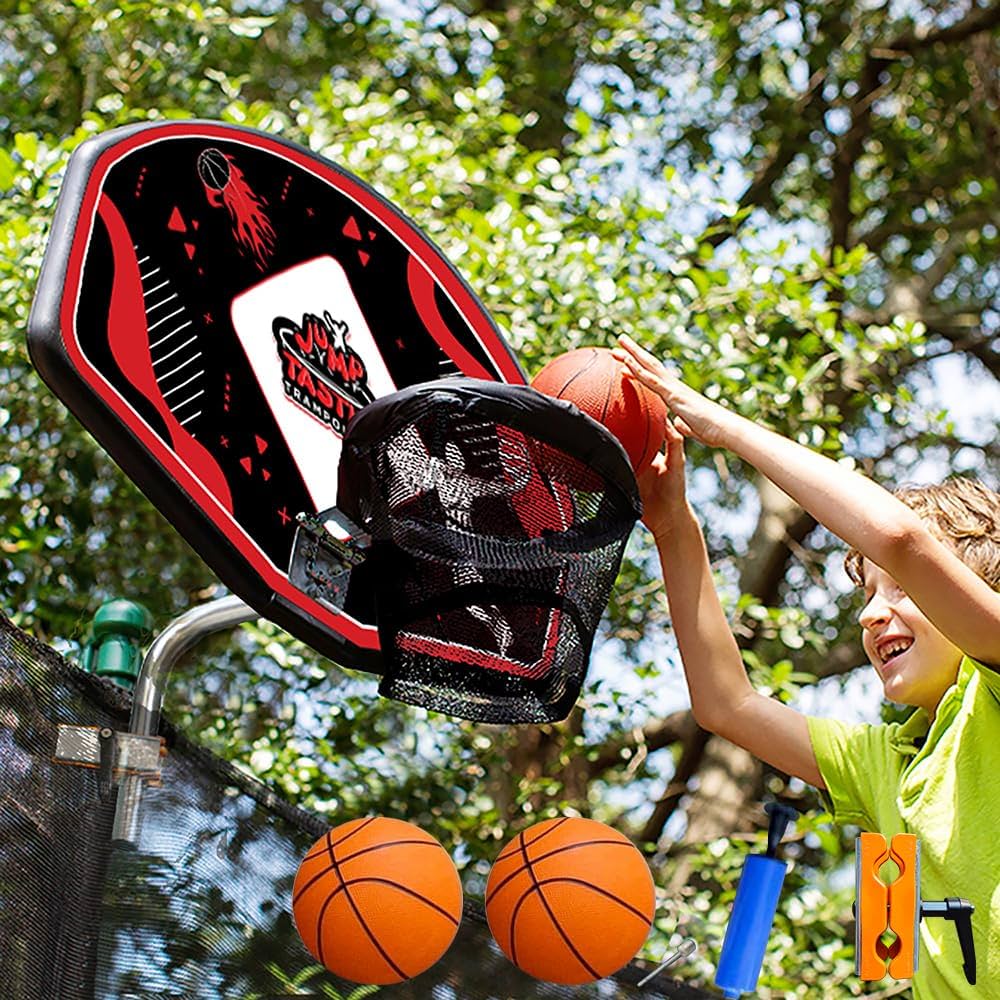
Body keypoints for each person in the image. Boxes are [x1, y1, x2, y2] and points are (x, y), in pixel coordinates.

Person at [613, 333, 1000, 998]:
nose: (870, 615)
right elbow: (725, 704)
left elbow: (901, 538)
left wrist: (722, 425)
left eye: (901, 589)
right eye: (867, 593)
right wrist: (672, 523)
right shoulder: (888, 762)